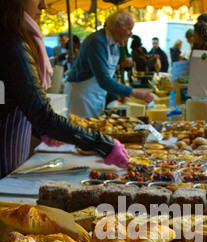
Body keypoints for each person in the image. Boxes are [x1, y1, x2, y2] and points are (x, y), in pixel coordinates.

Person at [0, 0, 129, 178]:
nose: (43, 6)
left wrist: (42, 130)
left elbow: (9, 100)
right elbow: (43, 116)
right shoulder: (12, 45)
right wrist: (105, 145)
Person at [66, 10, 153, 117]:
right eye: (129, 29)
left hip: (96, 94)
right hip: (83, 95)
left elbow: (111, 73)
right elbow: (103, 79)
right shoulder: (97, 41)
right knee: (82, 129)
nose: (131, 34)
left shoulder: (114, 43)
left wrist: (118, 91)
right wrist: (132, 92)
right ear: (118, 26)